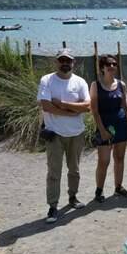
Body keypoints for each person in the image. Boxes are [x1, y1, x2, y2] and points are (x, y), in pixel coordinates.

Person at [36, 48, 91, 223]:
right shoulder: (47, 80)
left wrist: (62, 104)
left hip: (77, 133)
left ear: (73, 63)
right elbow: (46, 106)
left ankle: (73, 197)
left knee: (74, 169)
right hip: (55, 134)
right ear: (56, 62)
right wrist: (71, 111)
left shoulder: (80, 82)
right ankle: (53, 206)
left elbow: (87, 106)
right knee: (54, 172)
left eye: (68, 60)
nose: (65, 63)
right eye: (62, 60)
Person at [89, 54, 127, 203]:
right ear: (102, 67)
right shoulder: (95, 85)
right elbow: (94, 110)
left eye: (114, 64)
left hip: (121, 125)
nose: (112, 66)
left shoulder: (121, 85)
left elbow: (124, 108)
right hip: (104, 126)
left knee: (119, 158)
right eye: (108, 64)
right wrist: (101, 130)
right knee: (104, 160)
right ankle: (99, 191)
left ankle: (118, 187)